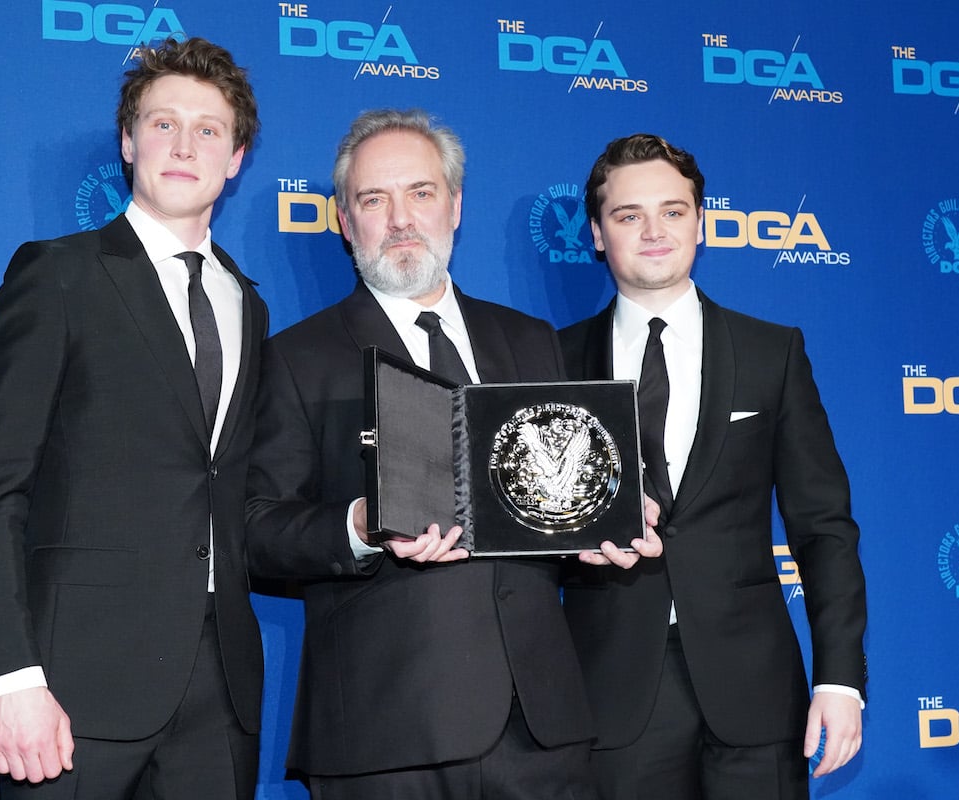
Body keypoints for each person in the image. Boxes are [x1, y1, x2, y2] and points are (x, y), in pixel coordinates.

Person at [244, 109, 661, 800]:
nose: (401, 217)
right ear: (345, 222)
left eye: (422, 192)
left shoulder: (531, 342)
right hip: (384, 737)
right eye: (374, 199)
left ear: (456, 206)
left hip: (540, 729)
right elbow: (254, 529)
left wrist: (594, 532)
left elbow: (548, 506)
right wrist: (359, 525)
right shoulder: (295, 358)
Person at [0, 37, 267, 799]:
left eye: (209, 129)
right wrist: (10, 678)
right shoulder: (58, 274)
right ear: (128, 142)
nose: (184, 145)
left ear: (237, 156)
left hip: (220, 695)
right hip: (70, 692)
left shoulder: (247, 303)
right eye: (163, 124)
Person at [559, 133, 867, 800]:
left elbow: (824, 528)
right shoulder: (551, 361)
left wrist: (839, 681)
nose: (653, 232)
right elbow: (526, 534)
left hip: (754, 695)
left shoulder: (772, 353)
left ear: (701, 223)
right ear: (595, 233)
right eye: (627, 215)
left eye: (672, 211)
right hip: (610, 691)